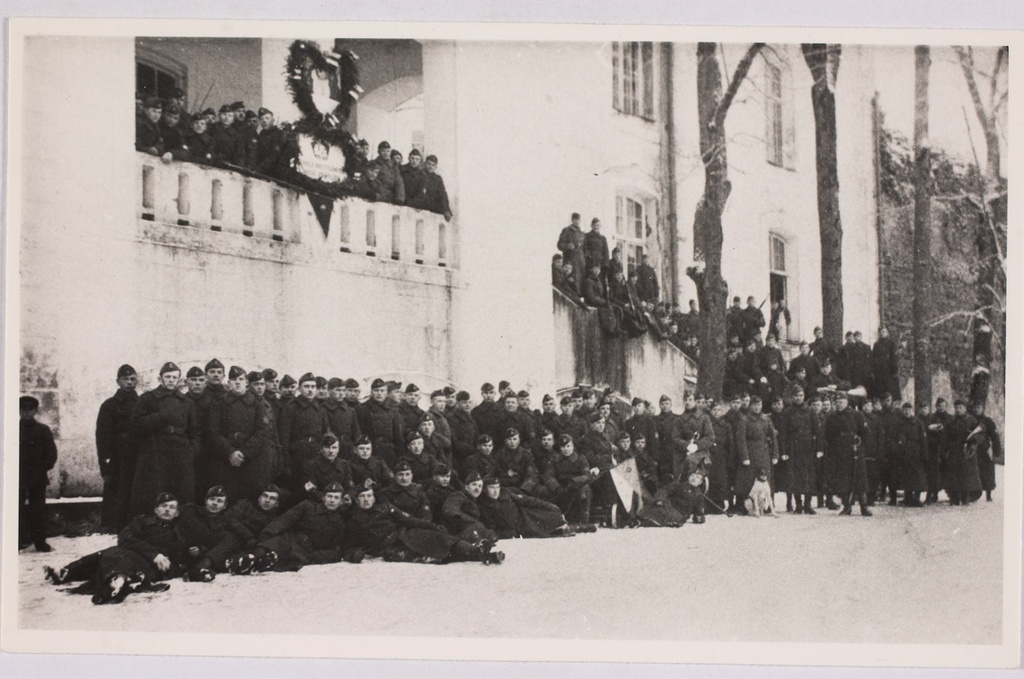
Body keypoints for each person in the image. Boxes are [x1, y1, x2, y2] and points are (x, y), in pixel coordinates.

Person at [44, 492, 184, 604]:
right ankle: (66, 572)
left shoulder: (177, 536)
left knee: (117, 559)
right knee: (105, 556)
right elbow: (125, 537)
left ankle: (117, 582)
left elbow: (175, 563)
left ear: (177, 513)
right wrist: (154, 554)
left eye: (172, 507)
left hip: (143, 564)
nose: (167, 510)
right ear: (156, 510)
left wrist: (165, 568)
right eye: (164, 506)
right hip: (125, 553)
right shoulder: (141, 521)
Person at [348, 485, 503, 565]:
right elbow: (347, 545)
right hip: (389, 549)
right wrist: (354, 554)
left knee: (442, 539)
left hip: (405, 536)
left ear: (374, 498)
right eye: (362, 497)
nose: (366, 500)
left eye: (369, 496)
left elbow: (410, 520)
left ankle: (478, 551)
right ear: (356, 500)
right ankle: (479, 554)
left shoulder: (385, 507)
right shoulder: (353, 520)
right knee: (433, 557)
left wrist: (433, 526)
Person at [129, 362, 201, 519]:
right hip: (156, 453)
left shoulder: (186, 402)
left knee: (182, 493)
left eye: (174, 377)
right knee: (155, 492)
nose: (171, 380)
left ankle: (181, 526)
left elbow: (194, 431)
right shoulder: (148, 399)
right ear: (160, 379)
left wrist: (192, 452)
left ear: (179, 380)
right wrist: (161, 416)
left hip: (181, 453)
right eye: (167, 377)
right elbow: (135, 425)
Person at [237, 482, 359, 572]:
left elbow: (336, 550)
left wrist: (317, 556)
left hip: (305, 552)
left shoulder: (339, 523)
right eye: (329, 496)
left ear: (341, 501)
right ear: (323, 498)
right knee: (271, 544)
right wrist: (267, 532)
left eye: (336, 497)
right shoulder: (308, 506)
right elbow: (285, 520)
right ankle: (247, 560)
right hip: (290, 539)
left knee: (286, 561)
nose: (332, 500)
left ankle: (260, 564)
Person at [208, 366, 278, 502]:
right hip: (226, 458)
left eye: (241, 379)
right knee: (227, 495)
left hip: (252, 458)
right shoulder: (219, 404)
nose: (237, 382)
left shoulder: (257, 404)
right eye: (234, 379)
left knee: (251, 496)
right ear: (229, 383)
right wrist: (230, 453)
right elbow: (213, 432)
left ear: (246, 382)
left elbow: (262, 431)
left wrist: (244, 453)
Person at [95, 364, 140, 533]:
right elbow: (102, 438)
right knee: (119, 500)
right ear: (118, 381)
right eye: (125, 379)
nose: (129, 382)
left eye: (132, 379)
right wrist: (105, 467)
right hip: (118, 461)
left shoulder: (143, 403)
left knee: (137, 497)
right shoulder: (109, 406)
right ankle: (121, 534)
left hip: (138, 459)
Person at [19, 395, 58, 553]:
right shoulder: (12, 429)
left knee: (38, 510)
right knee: (16, 509)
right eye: (23, 409)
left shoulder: (43, 430)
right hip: (17, 477)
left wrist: (42, 468)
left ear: (35, 411)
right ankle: (18, 540)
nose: (27, 412)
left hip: (37, 477)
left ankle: (40, 542)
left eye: (30, 409)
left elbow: (51, 453)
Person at [824, 392, 871, 516]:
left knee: (859, 479)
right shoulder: (832, 417)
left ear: (847, 402)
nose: (839, 405)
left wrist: (860, 446)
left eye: (841, 402)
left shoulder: (857, 415)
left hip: (855, 452)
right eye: (837, 402)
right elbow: (828, 435)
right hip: (840, 453)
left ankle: (864, 507)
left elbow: (865, 432)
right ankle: (847, 506)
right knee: (843, 481)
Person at [279, 372, 328, 491]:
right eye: (306, 386)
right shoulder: (290, 407)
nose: (310, 390)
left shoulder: (320, 408)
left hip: (316, 452)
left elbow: (326, 432)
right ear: (300, 389)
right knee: (298, 487)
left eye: (313, 387)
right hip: (297, 454)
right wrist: (286, 462)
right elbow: (284, 436)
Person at [176, 485, 232, 581]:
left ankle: (199, 569)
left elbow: (215, 547)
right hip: (179, 553)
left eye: (219, 501)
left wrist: (201, 550)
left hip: (199, 558)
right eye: (212, 499)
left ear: (225, 506)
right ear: (205, 500)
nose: (214, 503)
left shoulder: (223, 524)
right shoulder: (189, 510)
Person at [357, 378, 405, 469]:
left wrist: (399, 452)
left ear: (386, 393)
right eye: (376, 390)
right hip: (371, 451)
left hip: (389, 451)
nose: (379, 393)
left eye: (382, 391)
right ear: (371, 392)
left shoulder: (393, 409)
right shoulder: (363, 409)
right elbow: (359, 432)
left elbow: (398, 434)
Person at [944, 400, 982, 505]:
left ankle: (966, 497)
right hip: (954, 450)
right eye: (956, 408)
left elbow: (979, 434)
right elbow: (945, 436)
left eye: (960, 408)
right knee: (954, 475)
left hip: (967, 451)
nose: (958, 410)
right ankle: (954, 498)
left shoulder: (972, 420)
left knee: (966, 475)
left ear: (965, 408)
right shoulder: (951, 421)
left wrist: (973, 441)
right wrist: (945, 450)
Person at [891, 402, 928, 507]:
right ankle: (908, 497)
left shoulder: (918, 423)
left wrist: (924, 454)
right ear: (902, 411)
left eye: (909, 410)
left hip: (915, 452)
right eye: (905, 410)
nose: (907, 412)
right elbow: (893, 437)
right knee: (905, 476)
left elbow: (923, 440)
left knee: (917, 476)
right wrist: (896, 449)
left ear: (912, 411)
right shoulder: (898, 423)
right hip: (902, 453)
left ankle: (917, 498)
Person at [301, 434, 355, 501]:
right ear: (321, 449)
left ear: (338, 449)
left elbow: (350, 487)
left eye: (334, 447)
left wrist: (347, 496)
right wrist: (329, 499)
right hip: (320, 502)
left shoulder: (344, 465)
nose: (331, 451)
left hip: (340, 502)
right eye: (327, 447)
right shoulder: (311, 466)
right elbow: (312, 491)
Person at [970, 401, 1002, 501]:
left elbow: (994, 436)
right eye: (975, 407)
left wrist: (996, 450)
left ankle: (989, 493)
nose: (976, 410)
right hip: (974, 448)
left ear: (982, 408)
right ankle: (974, 493)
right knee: (974, 470)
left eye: (978, 407)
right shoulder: (970, 420)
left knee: (988, 470)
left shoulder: (988, 421)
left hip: (985, 448)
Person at [557, 213, 587, 296]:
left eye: (578, 220)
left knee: (581, 281)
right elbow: (559, 245)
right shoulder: (566, 230)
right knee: (572, 280)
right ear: (572, 220)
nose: (577, 221)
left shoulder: (582, 233)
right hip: (570, 259)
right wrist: (567, 246)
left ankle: (580, 297)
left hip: (580, 261)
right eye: (575, 220)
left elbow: (585, 248)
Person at [416, 154, 452, 220]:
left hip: (432, 209)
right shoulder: (418, 175)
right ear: (425, 164)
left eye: (433, 165)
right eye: (429, 164)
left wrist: (446, 210)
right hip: (419, 208)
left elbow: (442, 195)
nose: (431, 167)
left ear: (435, 167)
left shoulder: (437, 179)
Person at [871, 327, 900, 399]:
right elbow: (873, 357)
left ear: (887, 333)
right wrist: (873, 370)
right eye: (880, 332)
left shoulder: (891, 343)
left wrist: (894, 370)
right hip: (879, 370)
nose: (881, 333)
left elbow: (894, 357)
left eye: (883, 332)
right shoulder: (876, 344)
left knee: (889, 388)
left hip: (888, 369)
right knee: (879, 389)